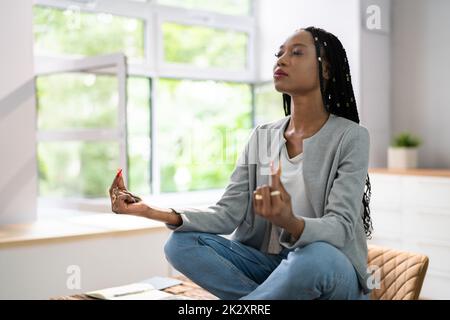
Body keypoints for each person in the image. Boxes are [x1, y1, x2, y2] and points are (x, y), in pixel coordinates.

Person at [109, 26, 373, 300]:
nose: (281, 60)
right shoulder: (263, 136)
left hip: (329, 268)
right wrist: (150, 211)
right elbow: (227, 213)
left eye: (296, 53)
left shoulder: (350, 137)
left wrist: (290, 221)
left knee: (315, 255)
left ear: (326, 70)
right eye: (279, 53)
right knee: (180, 244)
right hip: (271, 268)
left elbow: (340, 226)